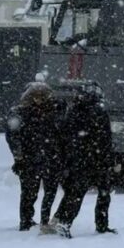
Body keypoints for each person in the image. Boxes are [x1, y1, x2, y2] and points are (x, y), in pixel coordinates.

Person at [46, 87, 117, 239]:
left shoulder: (73, 112)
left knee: (77, 193)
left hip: (80, 160)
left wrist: (68, 158)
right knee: (102, 194)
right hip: (97, 160)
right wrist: (109, 158)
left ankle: (65, 222)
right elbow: (106, 138)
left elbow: (64, 137)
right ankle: (101, 225)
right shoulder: (98, 113)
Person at [5, 83, 63, 231]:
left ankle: (33, 220)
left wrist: (19, 158)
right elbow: (13, 138)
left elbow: (13, 137)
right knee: (35, 192)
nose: (38, 100)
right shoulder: (51, 112)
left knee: (33, 192)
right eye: (35, 97)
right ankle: (32, 220)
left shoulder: (22, 113)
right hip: (41, 158)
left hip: (40, 158)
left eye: (41, 97)